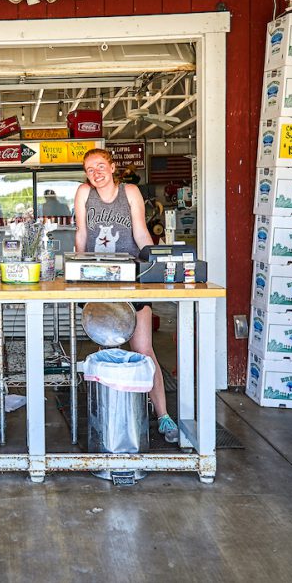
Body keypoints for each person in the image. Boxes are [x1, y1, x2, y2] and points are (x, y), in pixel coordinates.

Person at [73, 148, 179, 444]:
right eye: (89, 169)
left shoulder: (129, 191)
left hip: (130, 276)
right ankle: (115, 410)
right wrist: (78, 269)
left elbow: (142, 232)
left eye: (99, 166)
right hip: (96, 278)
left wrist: (153, 263)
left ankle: (163, 415)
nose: (95, 173)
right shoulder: (84, 193)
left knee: (143, 349)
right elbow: (81, 233)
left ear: (112, 166)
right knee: (109, 349)